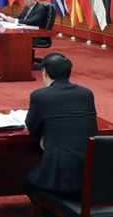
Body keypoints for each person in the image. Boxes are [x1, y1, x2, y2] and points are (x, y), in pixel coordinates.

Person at [23, 53, 97, 203]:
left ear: (44, 72)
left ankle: (51, 211)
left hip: (59, 175)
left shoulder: (40, 96)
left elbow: (32, 128)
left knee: (27, 181)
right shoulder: (86, 94)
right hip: (92, 174)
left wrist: (44, 134)